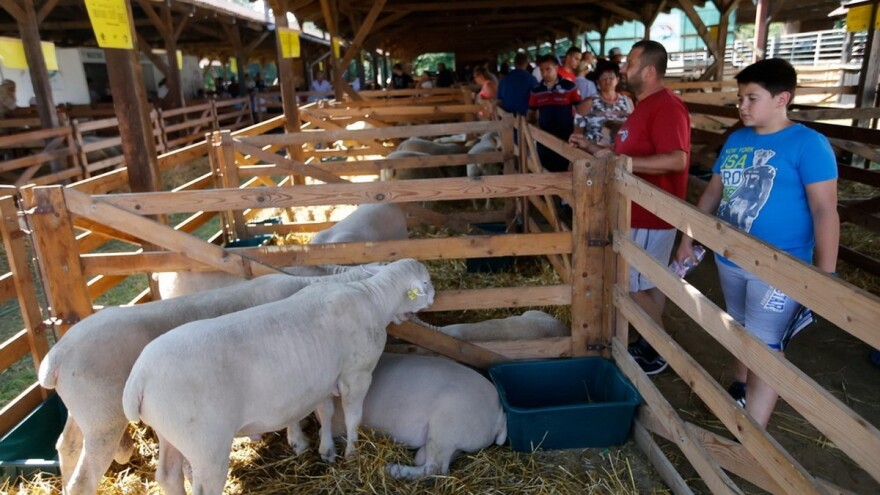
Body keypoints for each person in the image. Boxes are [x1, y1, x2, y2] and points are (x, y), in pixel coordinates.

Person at [675, 58, 838, 427]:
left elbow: (825, 210)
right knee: (739, 330)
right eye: (739, 98)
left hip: (781, 268)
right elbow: (713, 193)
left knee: (766, 347)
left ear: (783, 99)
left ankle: (751, 434)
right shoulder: (737, 139)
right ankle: (741, 387)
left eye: (752, 98)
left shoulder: (809, 145)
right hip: (730, 258)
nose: (742, 106)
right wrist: (689, 238)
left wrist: (826, 275)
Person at [597, 40, 691, 375]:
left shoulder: (666, 107)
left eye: (631, 63)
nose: (623, 69)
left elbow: (677, 159)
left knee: (631, 285)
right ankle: (650, 344)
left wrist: (623, 162)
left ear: (649, 71)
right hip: (637, 210)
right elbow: (634, 153)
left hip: (651, 214)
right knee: (649, 284)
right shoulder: (642, 108)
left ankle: (662, 346)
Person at [527, 54, 581, 172]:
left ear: (556, 68)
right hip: (544, 137)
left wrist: (578, 130)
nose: (544, 73)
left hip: (566, 136)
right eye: (541, 70)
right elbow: (531, 113)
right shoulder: (536, 91)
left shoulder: (570, 87)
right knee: (545, 168)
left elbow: (580, 109)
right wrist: (532, 127)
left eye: (548, 69)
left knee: (564, 168)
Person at [568, 61, 633, 154]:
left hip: (621, 155)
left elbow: (632, 129)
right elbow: (577, 135)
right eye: (604, 78)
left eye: (611, 78)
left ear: (617, 80)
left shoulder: (627, 102)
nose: (608, 81)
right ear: (598, 81)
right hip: (593, 155)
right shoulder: (588, 103)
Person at [497, 52, 534, 117]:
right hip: (524, 118)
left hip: (506, 116)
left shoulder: (505, 79)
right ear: (527, 64)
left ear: (514, 63)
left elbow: (499, 100)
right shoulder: (532, 79)